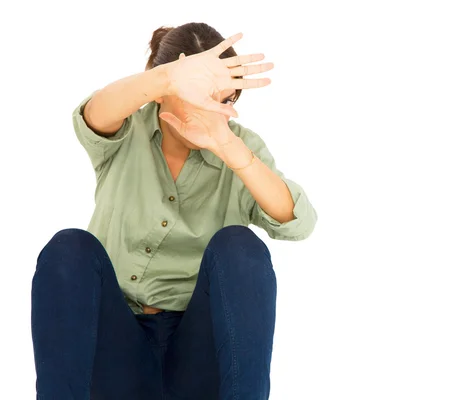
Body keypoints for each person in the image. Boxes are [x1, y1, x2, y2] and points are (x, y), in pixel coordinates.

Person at [30, 22, 317, 400]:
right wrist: (167, 77)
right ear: (163, 90)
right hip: (118, 354)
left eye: (227, 100)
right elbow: (95, 111)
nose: (215, 110)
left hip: (200, 358)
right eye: (200, 96)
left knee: (240, 245)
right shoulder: (126, 130)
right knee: (69, 247)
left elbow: (298, 224)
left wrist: (231, 151)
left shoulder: (239, 147)